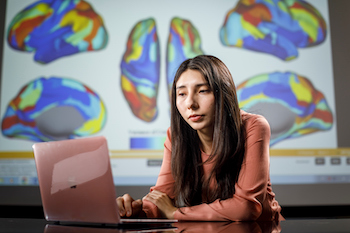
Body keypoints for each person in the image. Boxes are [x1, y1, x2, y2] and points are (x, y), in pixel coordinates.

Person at [116, 55, 283, 221]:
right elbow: (161, 199)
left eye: (202, 91)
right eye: (181, 94)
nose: (190, 103)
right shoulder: (176, 136)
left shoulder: (253, 126)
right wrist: (135, 210)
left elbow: (246, 207)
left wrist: (175, 213)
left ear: (223, 93)